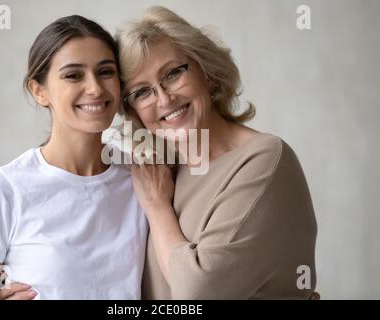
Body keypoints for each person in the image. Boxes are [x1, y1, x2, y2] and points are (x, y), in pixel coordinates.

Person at [116, 6, 317, 299]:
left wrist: (158, 207)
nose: (164, 99)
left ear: (206, 73)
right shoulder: (160, 171)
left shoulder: (264, 159)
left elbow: (198, 294)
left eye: (172, 74)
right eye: (142, 92)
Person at [0, 15, 147, 300]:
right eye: (73, 75)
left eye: (105, 72)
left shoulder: (142, 178)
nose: (95, 88)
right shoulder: (4, 190)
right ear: (39, 91)